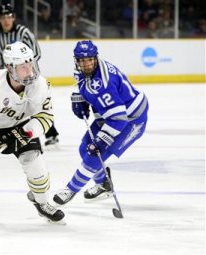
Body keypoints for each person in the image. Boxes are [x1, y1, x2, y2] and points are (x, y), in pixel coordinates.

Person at [0, 41, 65, 223]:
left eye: (30, 64)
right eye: (23, 67)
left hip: (18, 125)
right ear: (10, 67)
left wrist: (27, 133)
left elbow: (45, 117)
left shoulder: (39, 84)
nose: (29, 71)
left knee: (35, 163)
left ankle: (41, 202)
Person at [53, 40, 149, 205]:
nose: (87, 64)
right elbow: (87, 87)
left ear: (95, 58)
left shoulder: (104, 83)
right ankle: (104, 184)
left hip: (131, 120)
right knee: (84, 147)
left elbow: (119, 118)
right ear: (76, 61)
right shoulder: (82, 72)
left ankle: (71, 189)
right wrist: (80, 98)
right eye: (82, 60)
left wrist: (102, 139)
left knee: (95, 153)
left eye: (90, 59)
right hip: (109, 116)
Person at [0, 3, 60, 147]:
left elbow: (36, 52)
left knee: (36, 104)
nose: (6, 20)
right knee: (9, 106)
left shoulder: (23, 32)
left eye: (9, 16)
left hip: (29, 76)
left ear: (13, 17)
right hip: (8, 79)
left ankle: (51, 134)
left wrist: (23, 69)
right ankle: (5, 134)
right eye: (3, 17)